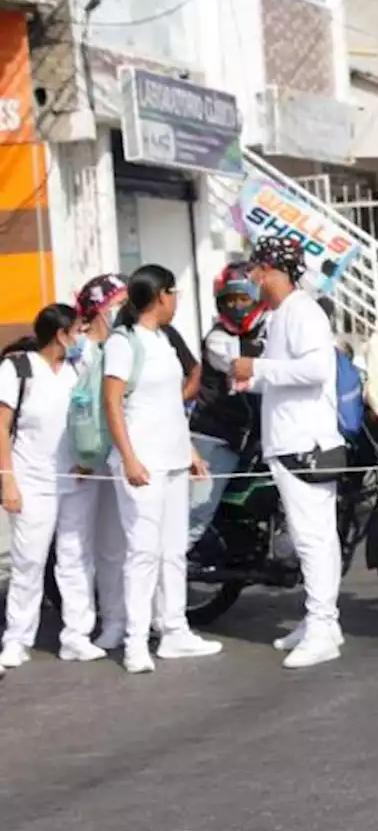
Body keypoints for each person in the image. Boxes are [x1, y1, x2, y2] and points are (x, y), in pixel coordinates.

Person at [233, 235, 346, 669]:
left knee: (313, 537)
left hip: (306, 444)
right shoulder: (282, 315)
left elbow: (318, 370)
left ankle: (322, 626)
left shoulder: (302, 312)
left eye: (254, 270)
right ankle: (320, 621)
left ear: (268, 270)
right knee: (310, 536)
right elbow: (288, 373)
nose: (251, 279)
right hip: (289, 441)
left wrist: (257, 368)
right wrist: (251, 378)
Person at [105, 266, 222, 674]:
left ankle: (174, 630)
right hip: (143, 463)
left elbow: (172, 404)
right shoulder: (124, 342)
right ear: (159, 296)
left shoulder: (164, 339)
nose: (176, 301)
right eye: (173, 293)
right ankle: (136, 641)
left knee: (173, 551)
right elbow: (112, 404)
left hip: (172, 458)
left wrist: (189, 451)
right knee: (143, 552)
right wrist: (130, 458)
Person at [0, 304, 106, 669]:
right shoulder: (17, 369)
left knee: (77, 558)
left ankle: (77, 635)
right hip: (32, 480)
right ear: (60, 334)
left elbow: (89, 417)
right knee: (29, 562)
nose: (81, 336)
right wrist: (7, 480)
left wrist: (88, 458)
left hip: (76, 478)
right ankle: (17, 639)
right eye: (77, 330)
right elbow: (1, 426)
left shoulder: (79, 368)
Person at [64, 274, 131, 652]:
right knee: (90, 547)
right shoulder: (80, 353)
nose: (121, 311)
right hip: (88, 462)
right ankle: (99, 624)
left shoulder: (126, 345)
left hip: (123, 456)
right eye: (115, 304)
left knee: (126, 545)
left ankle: (132, 619)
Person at [188, 264, 268, 546]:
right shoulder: (218, 338)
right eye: (230, 300)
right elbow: (240, 369)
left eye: (243, 299)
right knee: (195, 518)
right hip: (216, 437)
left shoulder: (266, 328)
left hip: (251, 437)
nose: (236, 306)